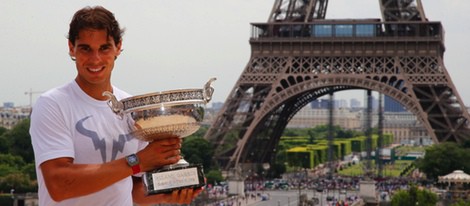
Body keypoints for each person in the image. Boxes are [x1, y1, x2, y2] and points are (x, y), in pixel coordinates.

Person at [29, 6, 202, 205]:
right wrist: (137, 162)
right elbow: (60, 185)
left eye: (104, 48)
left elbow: (130, 189)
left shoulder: (132, 109)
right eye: (86, 48)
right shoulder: (52, 104)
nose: (95, 59)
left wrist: (165, 193)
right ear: (71, 48)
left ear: (118, 47)